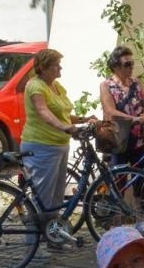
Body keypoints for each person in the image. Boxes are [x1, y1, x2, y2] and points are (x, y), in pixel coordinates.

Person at [21, 48, 94, 247]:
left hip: (59, 145)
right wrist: (65, 127)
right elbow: (43, 112)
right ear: (44, 67)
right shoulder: (35, 86)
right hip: (40, 146)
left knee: (55, 197)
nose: (60, 69)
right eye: (56, 65)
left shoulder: (56, 86)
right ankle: (33, 243)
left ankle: (52, 238)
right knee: (41, 197)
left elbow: (62, 113)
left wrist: (82, 120)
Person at [100, 46, 144, 169]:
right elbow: (111, 112)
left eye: (132, 63)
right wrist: (135, 119)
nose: (131, 67)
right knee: (118, 183)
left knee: (142, 182)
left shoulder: (137, 83)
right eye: (127, 64)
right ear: (115, 66)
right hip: (118, 141)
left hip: (140, 140)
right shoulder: (106, 85)